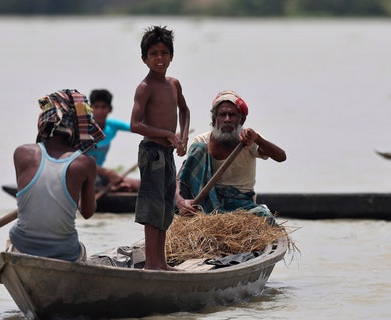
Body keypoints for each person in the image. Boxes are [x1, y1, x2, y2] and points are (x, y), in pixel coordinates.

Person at [8, 89, 105, 262]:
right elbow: (87, 212)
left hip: (21, 246)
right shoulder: (85, 163)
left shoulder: (22, 153)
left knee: (12, 238)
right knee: (82, 249)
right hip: (65, 252)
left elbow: (29, 200)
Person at [174, 90, 286, 225]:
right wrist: (180, 202)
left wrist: (258, 139)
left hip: (241, 204)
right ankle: (197, 214)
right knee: (198, 148)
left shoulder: (249, 140)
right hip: (208, 202)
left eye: (232, 115)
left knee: (264, 218)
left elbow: (281, 157)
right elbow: (181, 177)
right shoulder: (203, 141)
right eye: (222, 115)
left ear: (241, 119)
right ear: (215, 120)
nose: (227, 119)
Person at [130, 25, 191, 271]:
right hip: (152, 152)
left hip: (167, 153)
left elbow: (184, 110)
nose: (159, 58)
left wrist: (183, 138)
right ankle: (151, 264)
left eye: (164, 53)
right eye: (153, 54)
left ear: (171, 56)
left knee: (166, 205)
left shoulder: (173, 84)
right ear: (144, 58)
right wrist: (167, 133)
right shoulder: (145, 88)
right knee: (152, 206)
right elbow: (135, 124)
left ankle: (161, 262)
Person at [88, 88, 140, 192]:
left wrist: (169, 135)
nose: (100, 111)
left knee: (138, 185)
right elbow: (76, 158)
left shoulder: (112, 125)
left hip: (100, 173)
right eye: (96, 107)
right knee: (96, 183)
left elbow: (139, 128)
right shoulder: (83, 129)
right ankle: (113, 188)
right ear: (90, 108)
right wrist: (108, 173)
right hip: (84, 174)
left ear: (110, 109)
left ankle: (115, 187)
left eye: (104, 107)